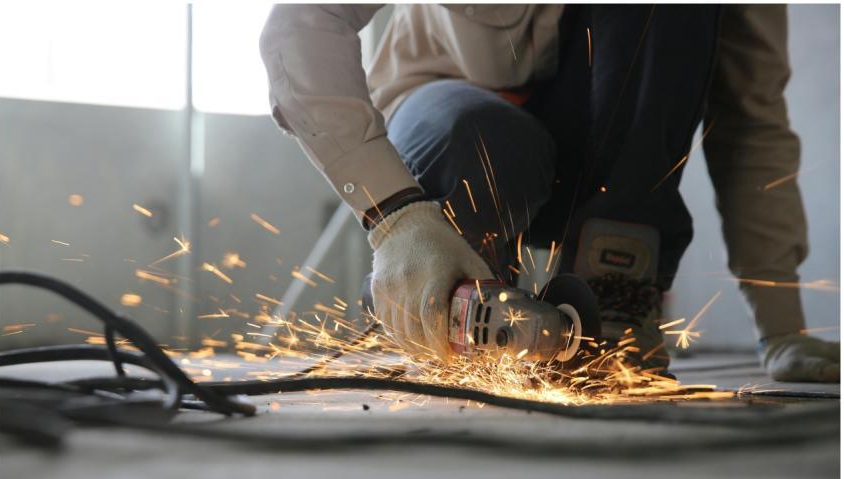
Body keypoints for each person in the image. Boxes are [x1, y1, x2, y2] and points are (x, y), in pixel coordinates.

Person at [260, 4, 839, 382]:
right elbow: (301, 25)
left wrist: (783, 326)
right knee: (479, 140)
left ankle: (614, 293)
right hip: (455, 123)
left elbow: (751, 122)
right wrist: (396, 219)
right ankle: (453, 295)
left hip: (605, 164)